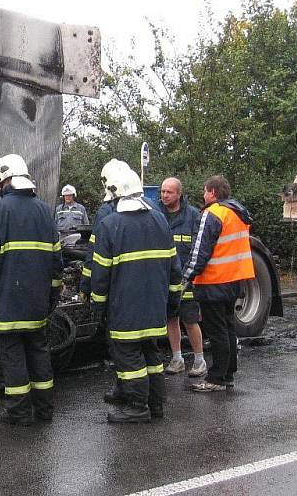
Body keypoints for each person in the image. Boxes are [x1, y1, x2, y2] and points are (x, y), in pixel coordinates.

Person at [0, 154, 64, 425]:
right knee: (38, 353)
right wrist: (53, 295)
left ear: (7, 180)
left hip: (6, 302)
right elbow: (56, 261)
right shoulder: (44, 211)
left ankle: (20, 412)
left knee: (13, 358)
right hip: (37, 303)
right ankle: (44, 410)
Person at [89, 159, 182, 423]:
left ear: (115, 193)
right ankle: (156, 404)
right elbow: (174, 268)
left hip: (125, 308)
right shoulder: (160, 221)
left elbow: (101, 274)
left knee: (128, 357)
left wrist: (98, 305)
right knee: (151, 352)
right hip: (155, 306)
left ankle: (137, 406)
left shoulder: (110, 226)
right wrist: (173, 301)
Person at [182, 175, 255, 393]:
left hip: (214, 280)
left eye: (205, 191)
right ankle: (228, 373)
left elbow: (199, 250)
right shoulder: (238, 213)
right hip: (235, 279)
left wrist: (187, 276)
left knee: (216, 331)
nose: (203, 195)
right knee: (228, 327)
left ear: (212, 192)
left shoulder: (212, 213)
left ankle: (216, 378)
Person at [158, 177, 205, 377]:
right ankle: (177, 359)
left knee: (190, 319)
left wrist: (190, 276)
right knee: (171, 318)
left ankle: (199, 360)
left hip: (187, 278)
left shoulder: (193, 215)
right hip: (165, 278)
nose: (165, 195)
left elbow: (199, 248)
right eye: (162, 192)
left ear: (179, 194)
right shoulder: (156, 214)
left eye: (169, 192)